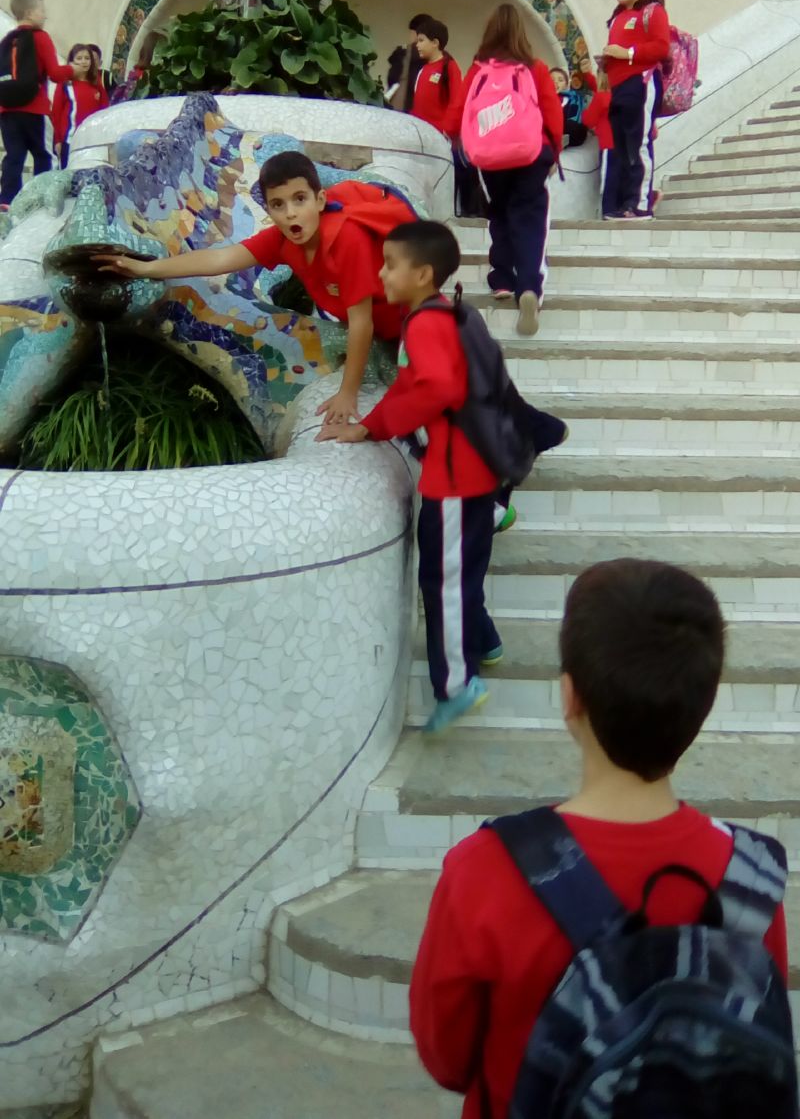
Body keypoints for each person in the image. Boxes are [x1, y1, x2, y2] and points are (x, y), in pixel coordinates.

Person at [409, 557, 790, 1119]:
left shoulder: (484, 872)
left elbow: (447, 1059)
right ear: (703, 706)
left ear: (570, 697)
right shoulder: (751, 881)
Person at [319, 220, 504, 733]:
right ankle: (485, 641)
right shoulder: (436, 314)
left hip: (455, 479)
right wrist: (370, 426)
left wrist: (382, 426)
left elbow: (436, 388)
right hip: (472, 473)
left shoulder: (424, 323)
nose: (380, 274)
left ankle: (457, 687)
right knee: (459, 570)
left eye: (390, 265)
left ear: (422, 274)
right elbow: (409, 385)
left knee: (443, 581)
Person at [93, 151, 412, 427]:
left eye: (299, 199)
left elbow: (362, 323)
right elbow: (220, 259)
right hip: (378, 324)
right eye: (278, 204)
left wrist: (347, 393)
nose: (290, 213)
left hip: (408, 324)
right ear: (268, 211)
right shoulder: (282, 239)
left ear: (320, 200)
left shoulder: (347, 240)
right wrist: (146, 268)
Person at [461, 4, 563, 337]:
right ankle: (529, 286)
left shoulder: (478, 71)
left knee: (500, 212)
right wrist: (553, 152)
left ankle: (502, 279)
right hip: (531, 153)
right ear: (521, 33)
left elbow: (458, 112)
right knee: (530, 218)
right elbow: (552, 113)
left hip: (492, 157)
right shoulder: (535, 67)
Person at [602, 0, 670, 218]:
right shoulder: (617, 17)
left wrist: (627, 53)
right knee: (621, 146)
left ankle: (639, 203)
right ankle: (623, 204)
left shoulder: (653, 12)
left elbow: (661, 47)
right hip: (618, 87)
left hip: (640, 82)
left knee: (637, 143)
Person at [0, 0, 79, 207]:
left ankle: (7, 200)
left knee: (14, 156)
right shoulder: (40, 37)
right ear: (29, 13)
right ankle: (45, 199)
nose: (45, 15)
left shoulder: (6, 42)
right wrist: (72, 70)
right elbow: (54, 73)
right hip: (35, 109)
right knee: (44, 155)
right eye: (41, 11)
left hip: (7, 110)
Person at [52, 44, 109, 168]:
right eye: (79, 58)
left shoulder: (97, 84)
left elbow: (104, 112)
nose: (83, 61)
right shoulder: (65, 84)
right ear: (71, 61)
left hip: (91, 140)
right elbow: (56, 112)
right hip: (69, 140)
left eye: (87, 58)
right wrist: (57, 140)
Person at [411, 17, 463, 140]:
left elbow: (457, 101)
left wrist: (447, 130)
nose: (417, 45)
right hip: (420, 135)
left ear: (435, 43)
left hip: (438, 137)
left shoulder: (449, 67)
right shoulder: (422, 70)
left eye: (421, 40)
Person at [582, 67, 620, 219]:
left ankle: (608, 210)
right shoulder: (620, 97)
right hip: (624, 144)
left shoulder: (602, 97)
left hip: (608, 145)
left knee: (608, 178)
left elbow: (588, 119)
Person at [386, 12, 430, 112]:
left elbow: (391, 78)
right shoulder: (435, 57)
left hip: (400, 107)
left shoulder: (403, 53)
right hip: (422, 111)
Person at [549, 66, 587, 148]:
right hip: (550, 131)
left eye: (560, 80)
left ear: (566, 85)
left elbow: (575, 120)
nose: (555, 82)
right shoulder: (540, 99)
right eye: (551, 79)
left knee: (573, 127)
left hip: (569, 131)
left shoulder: (570, 99)